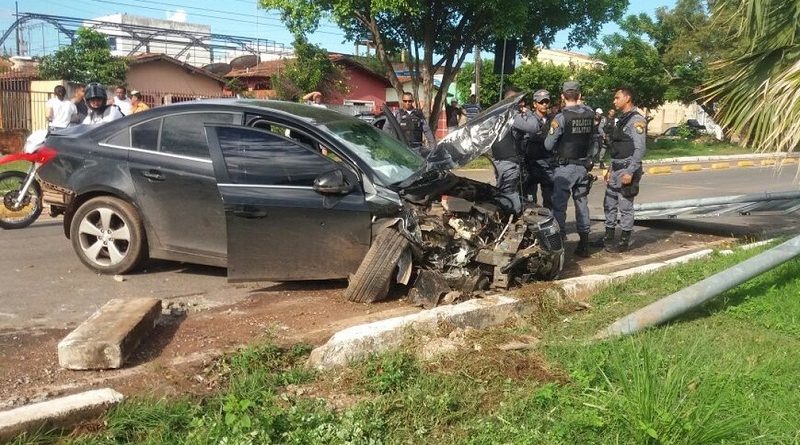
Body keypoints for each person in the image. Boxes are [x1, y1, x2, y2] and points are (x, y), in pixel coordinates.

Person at [544, 81, 598, 258]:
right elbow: (595, 142)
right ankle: (584, 243)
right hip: (583, 166)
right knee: (581, 203)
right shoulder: (591, 116)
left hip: (565, 168)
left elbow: (548, 144)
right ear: (580, 96)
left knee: (559, 205)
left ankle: (559, 243)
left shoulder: (560, 118)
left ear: (562, 96)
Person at [595, 88, 647, 252]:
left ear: (627, 98)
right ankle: (608, 237)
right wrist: (610, 168)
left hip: (626, 169)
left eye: (617, 98)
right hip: (616, 167)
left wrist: (630, 171)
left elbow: (640, 149)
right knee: (609, 204)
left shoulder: (636, 120)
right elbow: (617, 147)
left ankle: (623, 242)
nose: (614, 101)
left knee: (625, 207)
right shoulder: (623, 119)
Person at [513, 89, 554, 209]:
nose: (544, 104)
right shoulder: (527, 119)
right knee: (530, 200)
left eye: (546, 101)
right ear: (535, 104)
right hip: (531, 164)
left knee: (550, 199)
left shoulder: (553, 119)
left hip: (548, 163)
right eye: (541, 102)